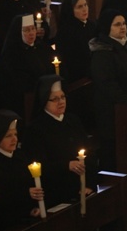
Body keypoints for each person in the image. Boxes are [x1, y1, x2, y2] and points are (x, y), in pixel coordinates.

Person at [22, 75, 97, 207]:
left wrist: (89, 185)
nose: (61, 102)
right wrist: (66, 165)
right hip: (57, 194)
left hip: (82, 189)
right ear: (44, 101)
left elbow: (90, 153)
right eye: (55, 99)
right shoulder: (36, 129)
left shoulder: (73, 120)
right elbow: (39, 166)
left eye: (62, 97)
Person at [89, 8, 127, 170]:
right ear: (108, 28)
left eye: (124, 24)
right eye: (117, 25)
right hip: (113, 112)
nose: (123, 27)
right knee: (114, 153)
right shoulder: (102, 52)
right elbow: (107, 84)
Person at [0, 14, 54, 116]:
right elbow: (17, 81)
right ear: (19, 32)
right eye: (26, 30)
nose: (31, 33)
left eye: (33, 29)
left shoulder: (41, 47)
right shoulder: (11, 54)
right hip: (24, 103)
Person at [55, 0, 96, 82]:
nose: (85, 9)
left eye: (85, 5)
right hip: (78, 78)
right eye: (79, 7)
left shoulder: (93, 26)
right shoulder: (65, 32)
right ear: (71, 10)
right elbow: (69, 60)